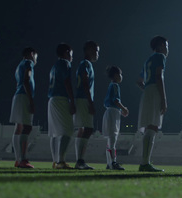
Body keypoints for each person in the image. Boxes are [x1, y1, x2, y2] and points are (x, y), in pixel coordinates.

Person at [136, 35, 168, 172]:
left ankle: (145, 162)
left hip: (147, 91)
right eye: (166, 46)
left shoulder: (147, 60)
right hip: (154, 90)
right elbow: (158, 76)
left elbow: (139, 81)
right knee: (153, 126)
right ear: (161, 45)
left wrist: (146, 89)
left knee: (150, 126)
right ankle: (145, 163)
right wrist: (163, 98)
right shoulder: (160, 57)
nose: (167, 49)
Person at [48, 43, 76, 169]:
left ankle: (55, 161)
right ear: (66, 52)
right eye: (71, 53)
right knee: (67, 130)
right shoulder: (65, 63)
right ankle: (61, 161)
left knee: (54, 133)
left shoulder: (54, 66)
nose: (72, 56)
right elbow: (67, 81)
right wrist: (72, 100)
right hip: (61, 98)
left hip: (52, 99)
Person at [10, 47, 38, 169]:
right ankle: (23, 159)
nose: (36, 60)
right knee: (27, 127)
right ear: (32, 54)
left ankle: (18, 159)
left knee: (19, 128)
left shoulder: (18, 66)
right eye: (36, 57)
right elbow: (26, 80)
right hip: (24, 96)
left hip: (18, 95)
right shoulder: (28, 63)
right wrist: (31, 100)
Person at [74, 40, 99, 170]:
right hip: (84, 99)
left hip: (81, 99)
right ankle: (80, 160)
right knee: (88, 129)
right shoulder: (86, 64)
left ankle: (80, 161)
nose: (97, 54)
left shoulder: (84, 64)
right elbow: (85, 82)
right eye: (96, 51)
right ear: (89, 50)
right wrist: (90, 102)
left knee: (82, 129)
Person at [102, 65, 129, 170]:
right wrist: (124, 109)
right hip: (113, 114)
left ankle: (109, 163)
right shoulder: (115, 86)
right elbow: (116, 100)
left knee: (110, 139)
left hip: (110, 112)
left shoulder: (111, 85)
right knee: (113, 138)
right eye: (120, 74)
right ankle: (113, 162)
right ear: (116, 75)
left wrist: (120, 110)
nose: (121, 76)